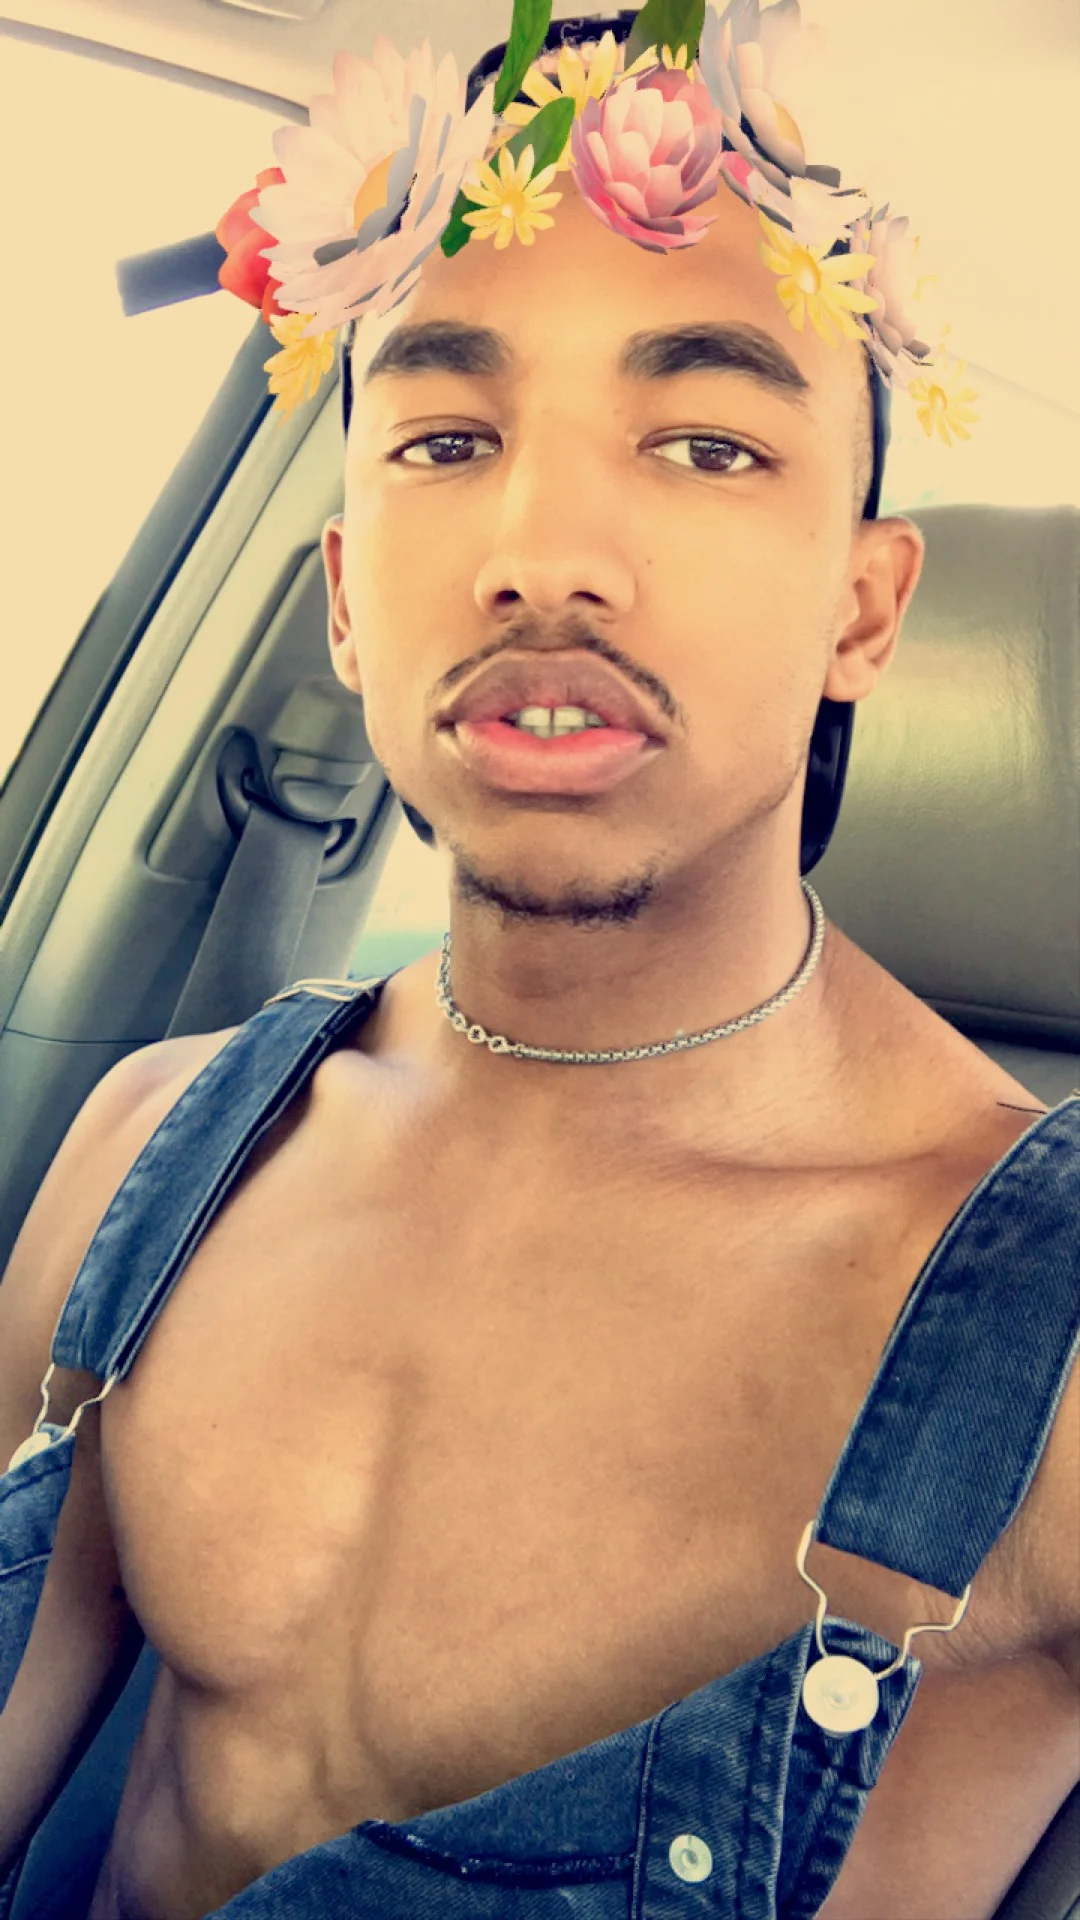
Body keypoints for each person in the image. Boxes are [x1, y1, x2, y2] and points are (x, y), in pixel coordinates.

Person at [1, 10, 1077, 1920]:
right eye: (445, 439)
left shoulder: (1053, 1346)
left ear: (863, 606)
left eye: (706, 443)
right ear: (348, 600)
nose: (545, 553)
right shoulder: (151, 1150)